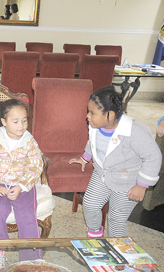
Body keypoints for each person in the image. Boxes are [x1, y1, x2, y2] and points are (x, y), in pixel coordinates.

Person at [69, 86, 161, 238]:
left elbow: (153, 156)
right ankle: (95, 239)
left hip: (128, 182)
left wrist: (142, 185)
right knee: (90, 205)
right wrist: (85, 157)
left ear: (110, 115)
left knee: (116, 219)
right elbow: (93, 143)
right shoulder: (95, 126)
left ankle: (117, 248)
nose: (87, 116)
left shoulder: (134, 132)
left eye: (92, 112)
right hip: (102, 175)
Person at [0, 99, 43, 271]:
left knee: (27, 215)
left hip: (22, 186)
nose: (21, 125)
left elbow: (36, 166)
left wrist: (22, 186)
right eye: (16, 121)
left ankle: (31, 260)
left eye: (24, 120)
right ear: (4, 122)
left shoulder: (30, 141)